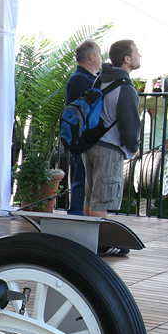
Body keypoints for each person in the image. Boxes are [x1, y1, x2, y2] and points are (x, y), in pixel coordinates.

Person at [83, 39, 142, 256]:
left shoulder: (101, 79)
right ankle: (98, 247)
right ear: (127, 59)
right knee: (102, 198)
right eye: (137, 53)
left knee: (91, 197)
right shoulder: (125, 87)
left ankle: (89, 243)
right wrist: (133, 146)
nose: (139, 56)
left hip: (92, 144)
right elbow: (129, 123)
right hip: (109, 148)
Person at [65, 40, 103, 216]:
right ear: (91, 56)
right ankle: (76, 215)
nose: (103, 58)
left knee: (87, 178)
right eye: (100, 53)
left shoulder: (89, 78)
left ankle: (82, 215)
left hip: (88, 139)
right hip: (83, 140)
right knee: (82, 177)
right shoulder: (80, 79)